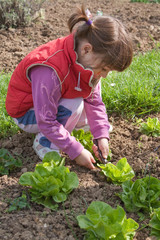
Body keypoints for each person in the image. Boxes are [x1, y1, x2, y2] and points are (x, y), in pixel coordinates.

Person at [5, 6, 133, 170]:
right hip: (27, 113)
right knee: (75, 105)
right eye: (105, 69)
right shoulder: (49, 70)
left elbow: (94, 101)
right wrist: (75, 150)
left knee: (81, 104)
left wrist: (101, 134)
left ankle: (73, 123)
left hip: (51, 103)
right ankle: (45, 141)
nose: (105, 75)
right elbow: (46, 119)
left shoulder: (88, 63)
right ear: (87, 49)